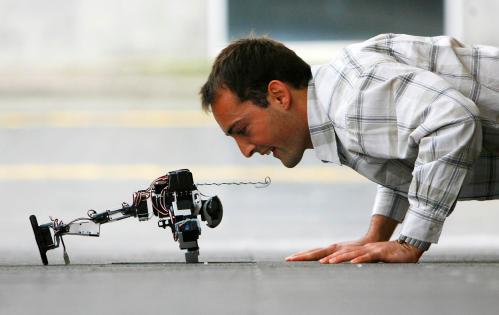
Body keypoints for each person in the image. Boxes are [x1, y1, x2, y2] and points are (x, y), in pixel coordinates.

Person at [199, 33, 499, 263]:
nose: (245, 151)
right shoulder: (341, 98)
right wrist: (376, 236)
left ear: (278, 95)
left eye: (242, 130)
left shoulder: (353, 102)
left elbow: (452, 121)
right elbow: (403, 146)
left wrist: (411, 242)